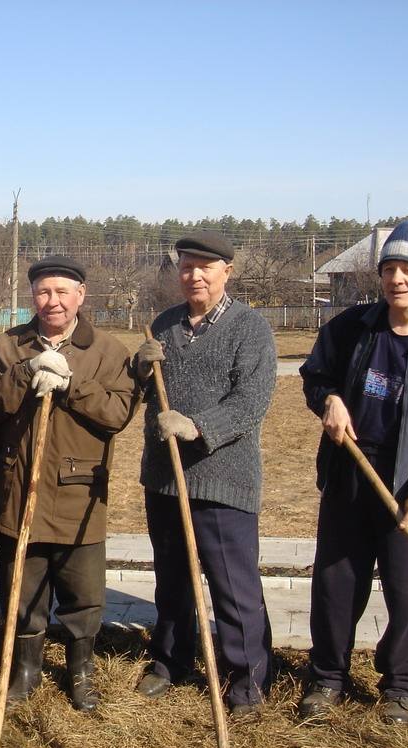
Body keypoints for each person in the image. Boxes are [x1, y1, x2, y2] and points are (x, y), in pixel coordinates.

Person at [297, 220, 408, 725]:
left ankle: (401, 685)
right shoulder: (351, 327)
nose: (397, 279)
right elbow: (314, 375)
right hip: (352, 475)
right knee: (337, 584)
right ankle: (327, 678)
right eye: (389, 268)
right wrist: (331, 399)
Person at [0, 255, 138, 711]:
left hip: (79, 493)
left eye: (63, 292)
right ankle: (25, 671)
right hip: (19, 490)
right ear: (33, 297)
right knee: (21, 590)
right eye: (44, 292)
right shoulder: (8, 347)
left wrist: (71, 386)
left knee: (83, 594)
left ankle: (79, 672)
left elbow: (118, 415)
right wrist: (24, 373)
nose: (53, 301)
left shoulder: (107, 350)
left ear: (81, 296)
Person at [133, 230, 276, 718]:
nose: (194, 275)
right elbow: (141, 395)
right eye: (187, 266)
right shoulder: (164, 325)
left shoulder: (250, 328)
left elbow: (252, 402)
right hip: (165, 479)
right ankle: (170, 661)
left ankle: (248, 679)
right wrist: (138, 368)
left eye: (205, 267)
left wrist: (198, 426)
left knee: (234, 586)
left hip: (223, 479)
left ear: (226, 271)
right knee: (172, 580)